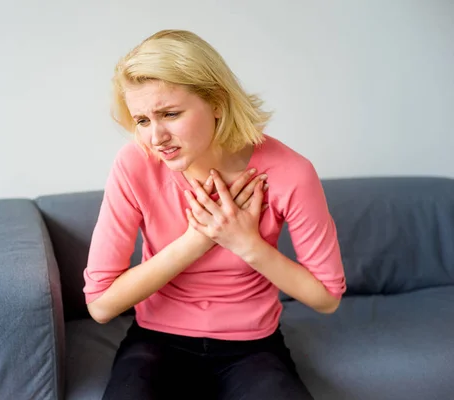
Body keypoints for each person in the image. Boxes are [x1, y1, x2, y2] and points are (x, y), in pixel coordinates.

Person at [83, 29, 346, 400]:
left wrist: (246, 243)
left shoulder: (291, 172)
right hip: (156, 341)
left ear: (218, 102)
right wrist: (198, 240)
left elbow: (327, 297)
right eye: (142, 120)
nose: (156, 138)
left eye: (170, 114)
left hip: (252, 346)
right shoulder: (135, 165)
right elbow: (101, 305)